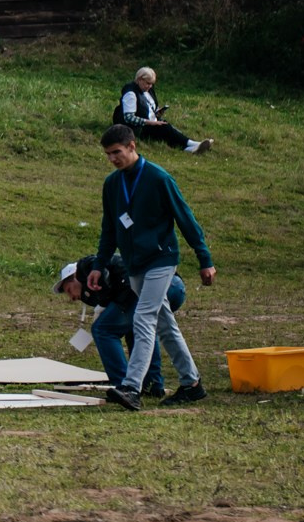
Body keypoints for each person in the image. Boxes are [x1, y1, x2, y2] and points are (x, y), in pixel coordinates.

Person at [88, 125, 214, 409]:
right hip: (134, 264)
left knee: (142, 318)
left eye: (117, 152)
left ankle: (132, 387)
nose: (112, 159)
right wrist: (99, 265)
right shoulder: (112, 184)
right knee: (165, 325)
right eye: (108, 154)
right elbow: (109, 229)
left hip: (162, 259)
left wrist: (204, 259)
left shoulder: (158, 178)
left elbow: (186, 219)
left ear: (132, 146)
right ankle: (191, 383)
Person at [58, 253, 183, 397]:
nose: (72, 297)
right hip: (174, 285)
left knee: (102, 330)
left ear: (74, 276)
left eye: (69, 290)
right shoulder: (91, 292)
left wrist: (104, 303)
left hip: (152, 285)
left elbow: (102, 271)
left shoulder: (84, 268)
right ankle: (152, 384)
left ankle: (125, 385)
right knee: (139, 328)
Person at [113, 67, 211, 154]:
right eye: (148, 83)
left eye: (151, 84)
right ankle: (192, 144)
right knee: (165, 128)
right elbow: (129, 118)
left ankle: (189, 149)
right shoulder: (130, 94)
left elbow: (148, 108)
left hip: (150, 122)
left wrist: (157, 113)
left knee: (166, 131)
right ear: (139, 79)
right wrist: (150, 122)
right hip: (137, 128)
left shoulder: (148, 90)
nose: (150, 86)